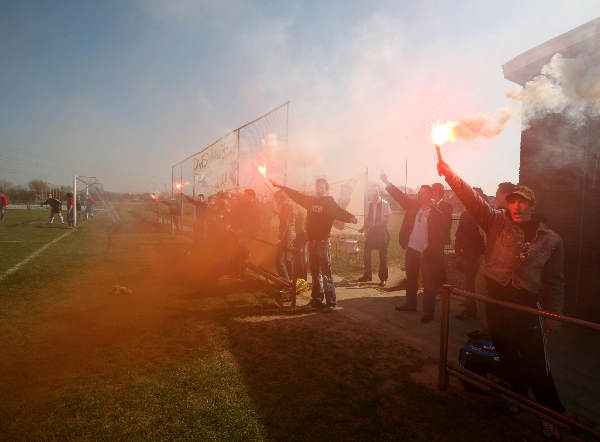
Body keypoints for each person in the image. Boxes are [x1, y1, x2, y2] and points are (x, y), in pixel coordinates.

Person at [437, 157, 565, 439]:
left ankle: (551, 415)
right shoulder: (495, 222)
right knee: (508, 357)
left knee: (536, 364)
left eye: (523, 203)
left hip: (526, 305)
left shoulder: (552, 240)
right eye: (513, 202)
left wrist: (554, 317)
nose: (517, 207)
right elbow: (471, 199)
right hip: (496, 302)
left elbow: (555, 282)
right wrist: (450, 175)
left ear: (531, 206)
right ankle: (517, 398)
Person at [270, 177, 358, 312]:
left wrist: (350, 217)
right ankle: (316, 299)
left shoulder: (329, 203)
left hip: (323, 243)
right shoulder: (310, 201)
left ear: (326, 188)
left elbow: (339, 211)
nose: (319, 189)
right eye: (317, 186)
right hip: (312, 242)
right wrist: (283, 187)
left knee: (326, 273)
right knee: (315, 273)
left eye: (321, 186)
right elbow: (297, 196)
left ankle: (331, 302)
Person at [381, 173, 446, 323]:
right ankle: (411, 304)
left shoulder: (437, 214)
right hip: (411, 249)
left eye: (423, 193)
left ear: (430, 196)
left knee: (428, 283)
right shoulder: (413, 206)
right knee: (411, 279)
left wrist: (427, 251)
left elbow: (438, 238)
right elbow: (400, 196)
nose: (420, 195)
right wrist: (386, 181)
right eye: (419, 193)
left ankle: (428, 313)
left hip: (426, 254)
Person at [454, 187, 487, 320]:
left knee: (476, 285)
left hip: (480, 256)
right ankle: (470, 308)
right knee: (469, 283)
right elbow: (459, 234)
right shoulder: (465, 214)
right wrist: (458, 252)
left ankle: (472, 310)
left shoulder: (484, 215)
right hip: (468, 254)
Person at [358, 185, 391, 287]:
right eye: (372, 193)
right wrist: (363, 228)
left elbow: (386, 220)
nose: (374, 194)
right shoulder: (369, 204)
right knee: (367, 253)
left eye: (375, 192)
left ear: (378, 192)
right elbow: (368, 219)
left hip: (381, 232)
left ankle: (383, 278)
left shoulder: (385, 204)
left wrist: (375, 225)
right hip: (372, 232)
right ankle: (367, 275)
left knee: (383, 256)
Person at [274, 189, 296, 281]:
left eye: (276, 199)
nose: (275, 201)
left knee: (279, 260)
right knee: (287, 259)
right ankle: (290, 282)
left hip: (287, 235)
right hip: (289, 233)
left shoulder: (286, 206)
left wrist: (280, 238)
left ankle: (286, 283)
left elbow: (285, 224)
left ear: (279, 198)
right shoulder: (288, 205)